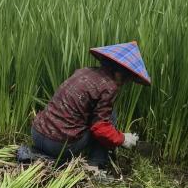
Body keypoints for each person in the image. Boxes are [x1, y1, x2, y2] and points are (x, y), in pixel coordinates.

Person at [29, 41, 151, 174]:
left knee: (100, 117)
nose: (126, 82)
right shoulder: (110, 87)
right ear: (119, 73)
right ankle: (94, 167)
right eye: (127, 78)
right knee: (109, 117)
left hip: (37, 134)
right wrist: (122, 139)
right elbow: (100, 129)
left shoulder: (84, 71)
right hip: (58, 146)